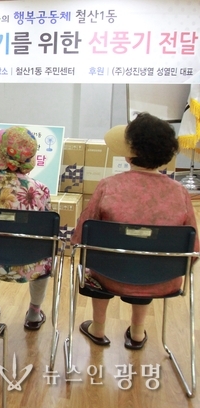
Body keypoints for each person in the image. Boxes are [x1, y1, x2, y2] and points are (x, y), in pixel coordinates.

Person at [72, 112, 199, 350]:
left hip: (108, 274)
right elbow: (193, 249)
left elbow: (81, 237)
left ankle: (98, 328)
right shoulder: (180, 192)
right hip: (161, 278)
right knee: (147, 259)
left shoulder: (108, 186)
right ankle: (138, 332)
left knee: (98, 265)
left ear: (129, 153)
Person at [0, 127, 52, 330]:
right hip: (31, 263)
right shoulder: (41, 191)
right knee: (44, 253)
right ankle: (34, 313)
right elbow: (47, 233)